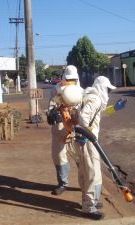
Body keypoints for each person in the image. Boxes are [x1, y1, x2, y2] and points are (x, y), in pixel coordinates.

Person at [76, 76, 126, 220]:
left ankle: (91, 201)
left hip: (87, 140)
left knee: (89, 173)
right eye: (107, 89)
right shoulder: (95, 98)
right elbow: (83, 116)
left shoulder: (91, 96)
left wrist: (115, 109)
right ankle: (88, 208)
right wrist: (88, 133)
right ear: (102, 88)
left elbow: (98, 115)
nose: (108, 92)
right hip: (88, 141)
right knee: (92, 175)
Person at [48, 65, 83, 195]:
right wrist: (53, 113)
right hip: (60, 129)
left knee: (81, 158)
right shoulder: (56, 90)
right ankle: (63, 183)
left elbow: (84, 110)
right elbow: (52, 105)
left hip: (75, 129)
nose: (71, 82)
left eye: (73, 79)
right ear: (64, 77)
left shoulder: (81, 91)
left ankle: (85, 184)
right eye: (69, 79)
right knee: (59, 157)